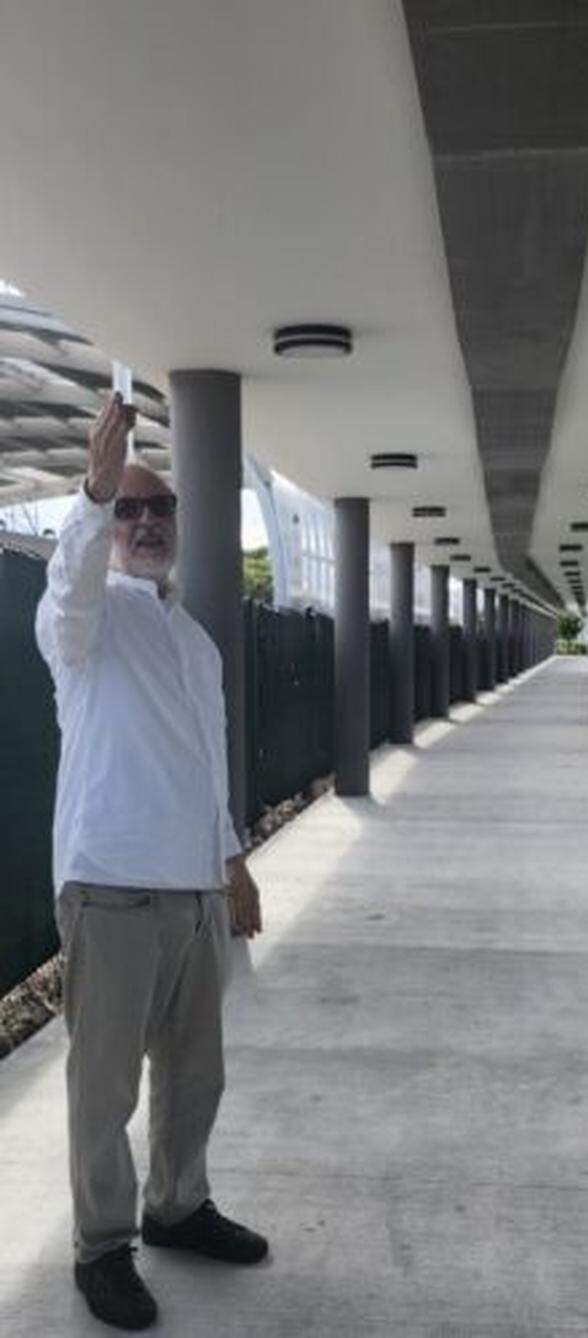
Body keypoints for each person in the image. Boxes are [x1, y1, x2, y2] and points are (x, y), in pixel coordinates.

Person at [35, 392, 268, 1332]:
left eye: (157, 507)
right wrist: (93, 494)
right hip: (112, 887)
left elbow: (206, 760)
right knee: (105, 1087)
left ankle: (177, 1206)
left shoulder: (192, 638)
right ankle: (102, 1247)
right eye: (127, 509)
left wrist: (232, 859)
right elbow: (68, 593)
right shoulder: (88, 624)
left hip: (195, 889)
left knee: (194, 1074)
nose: (144, 523)